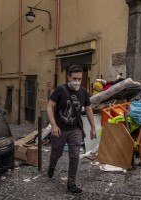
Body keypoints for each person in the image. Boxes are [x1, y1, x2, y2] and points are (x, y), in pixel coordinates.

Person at [46, 65, 96, 194]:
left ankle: (71, 183)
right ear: (68, 77)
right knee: (57, 153)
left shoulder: (84, 92)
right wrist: (54, 125)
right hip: (60, 129)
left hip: (75, 129)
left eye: (79, 79)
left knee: (74, 156)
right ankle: (52, 166)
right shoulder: (60, 90)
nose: (77, 82)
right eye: (74, 78)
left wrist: (93, 128)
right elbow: (50, 107)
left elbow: (89, 109)